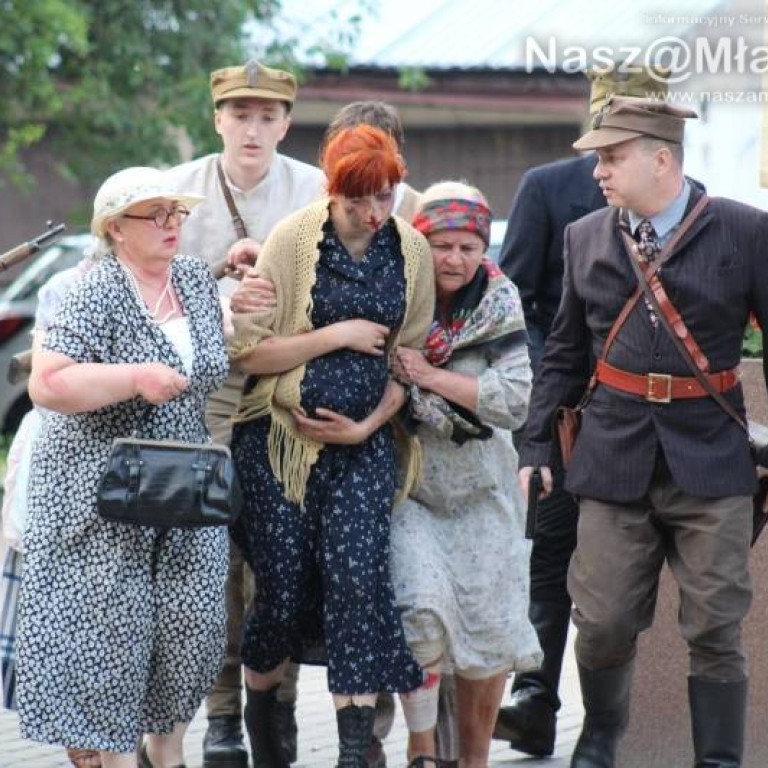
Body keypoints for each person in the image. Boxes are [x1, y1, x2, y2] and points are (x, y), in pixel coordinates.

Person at [519, 97, 768, 768]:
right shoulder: (584, 235)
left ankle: (718, 761)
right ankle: (602, 738)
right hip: (612, 456)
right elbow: (562, 352)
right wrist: (534, 444)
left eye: (612, 158)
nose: (599, 172)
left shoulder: (743, 229)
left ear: (661, 157)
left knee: (716, 625)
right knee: (603, 621)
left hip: (713, 457)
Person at [228, 124, 434, 768]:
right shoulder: (293, 240)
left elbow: (412, 358)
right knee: (283, 589)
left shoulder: (412, 251)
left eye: (387, 197)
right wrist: (335, 334)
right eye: (359, 201)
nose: (375, 214)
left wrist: (370, 424)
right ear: (332, 192)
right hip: (278, 442)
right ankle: (266, 735)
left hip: (364, 445)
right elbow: (250, 351)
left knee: (357, 581)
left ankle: (352, 755)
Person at [16, 166, 230, 768]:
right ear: (116, 229)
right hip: (102, 490)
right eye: (155, 214)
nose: (171, 225)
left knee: (195, 625)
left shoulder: (192, 279)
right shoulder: (95, 289)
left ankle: (167, 750)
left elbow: (218, 353)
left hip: (185, 486)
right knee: (112, 638)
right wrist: (133, 378)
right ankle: (116, 757)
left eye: (176, 213)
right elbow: (48, 383)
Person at [494, 65, 666, 758]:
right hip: (570, 407)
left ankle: (635, 716)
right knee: (552, 548)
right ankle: (536, 695)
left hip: (653, 414)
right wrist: (555, 388)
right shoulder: (550, 188)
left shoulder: (697, 202)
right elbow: (516, 302)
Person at [165, 60, 324, 768]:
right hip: (205, 395)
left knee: (280, 557)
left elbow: (344, 282)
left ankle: (276, 705)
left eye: (268, 117)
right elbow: (143, 280)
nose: (253, 129)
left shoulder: (315, 190)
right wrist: (216, 276)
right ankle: (221, 713)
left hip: (288, 392)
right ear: (218, 119)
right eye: (240, 114)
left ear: (287, 123)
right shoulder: (179, 192)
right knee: (212, 557)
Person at [388, 182, 542, 768]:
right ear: (421, 244)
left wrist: (429, 375)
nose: (455, 259)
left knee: (489, 633)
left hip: (483, 488)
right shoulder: (397, 296)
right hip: (414, 485)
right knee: (421, 612)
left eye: (468, 247)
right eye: (443, 245)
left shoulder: (499, 302)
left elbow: (513, 401)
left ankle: (474, 759)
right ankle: (422, 747)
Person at [0, 254, 99, 768]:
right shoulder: (67, 284)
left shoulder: (180, 283)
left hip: (149, 464)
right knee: (65, 598)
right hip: (64, 451)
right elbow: (48, 380)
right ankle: (80, 732)